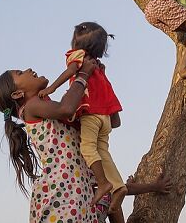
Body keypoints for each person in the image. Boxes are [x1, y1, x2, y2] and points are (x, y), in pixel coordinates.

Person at [0, 63, 170, 223]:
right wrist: (83, 75)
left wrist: (100, 82)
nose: (29, 69)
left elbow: (114, 185)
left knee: (109, 197)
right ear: (17, 94)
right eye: (20, 72)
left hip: (77, 200)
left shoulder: (72, 134)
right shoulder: (31, 107)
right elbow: (66, 108)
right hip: (60, 201)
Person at [40, 22, 127, 213]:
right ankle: (119, 186)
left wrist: (52, 88)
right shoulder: (97, 64)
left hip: (91, 115)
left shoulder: (78, 55)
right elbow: (108, 90)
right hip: (105, 117)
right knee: (102, 153)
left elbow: (70, 72)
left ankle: (104, 184)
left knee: (87, 148)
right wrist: (114, 113)